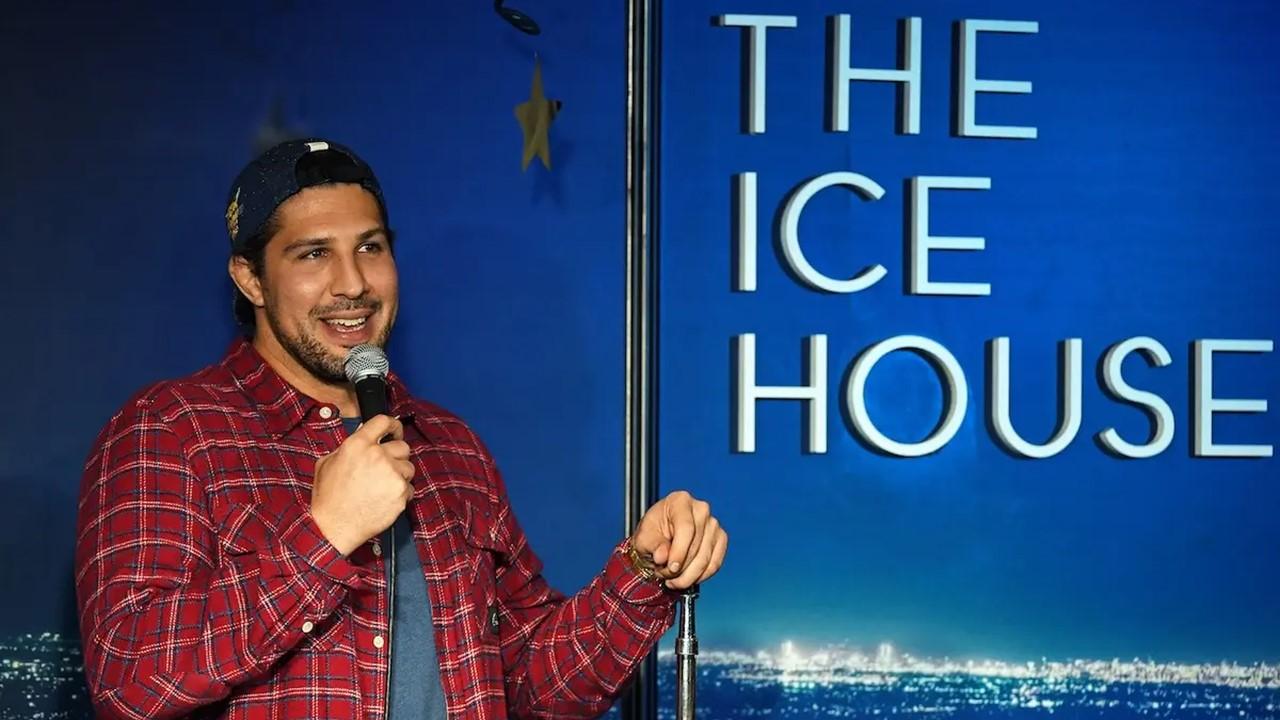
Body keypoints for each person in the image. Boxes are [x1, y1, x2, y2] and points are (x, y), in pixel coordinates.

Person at [74, 139, 727, 720]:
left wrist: (644, 570)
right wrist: (324, 536)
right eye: (313, 255)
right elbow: (129, 681)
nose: (353, 283)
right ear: (252, 279)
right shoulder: (170, 430)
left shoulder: (452, 448)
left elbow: (533, 688)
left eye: (370, 247)